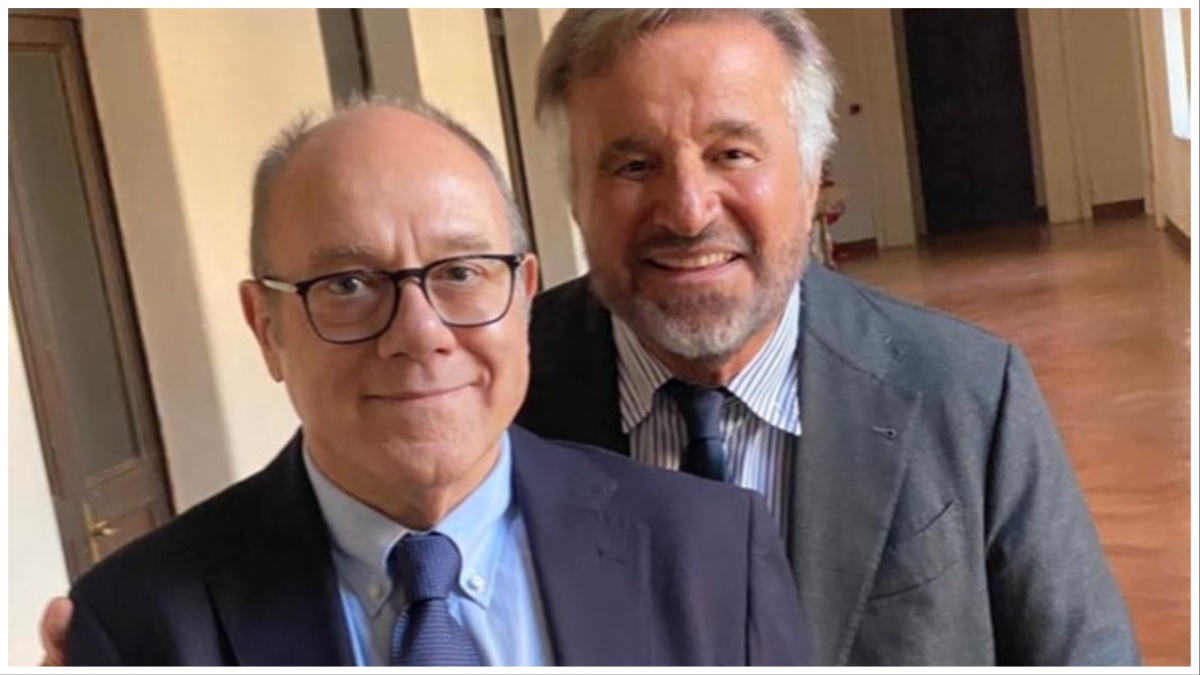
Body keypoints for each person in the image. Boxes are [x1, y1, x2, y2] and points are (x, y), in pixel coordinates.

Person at [58, 100, 808, 666]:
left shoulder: (712, 550)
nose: (419, 333)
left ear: (523, 296)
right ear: (267, 327)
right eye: (348, 284)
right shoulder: (139, 627)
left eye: (460, 273)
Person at [513, 8, 1140, 666]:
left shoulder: (971, 393)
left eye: (732, 154)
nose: (689, 212)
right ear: (574, 193)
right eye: (635, 165)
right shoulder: (496, 400)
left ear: (812, 175)